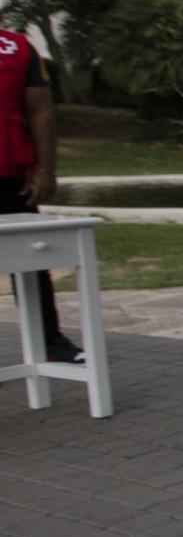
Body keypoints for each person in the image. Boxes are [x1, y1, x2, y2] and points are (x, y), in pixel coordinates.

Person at [0, 27, 82, 364]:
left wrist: (46, 168)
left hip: (9, 174)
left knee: (30, 261)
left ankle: (49, 341)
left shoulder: (16, 47)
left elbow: (41, 109)